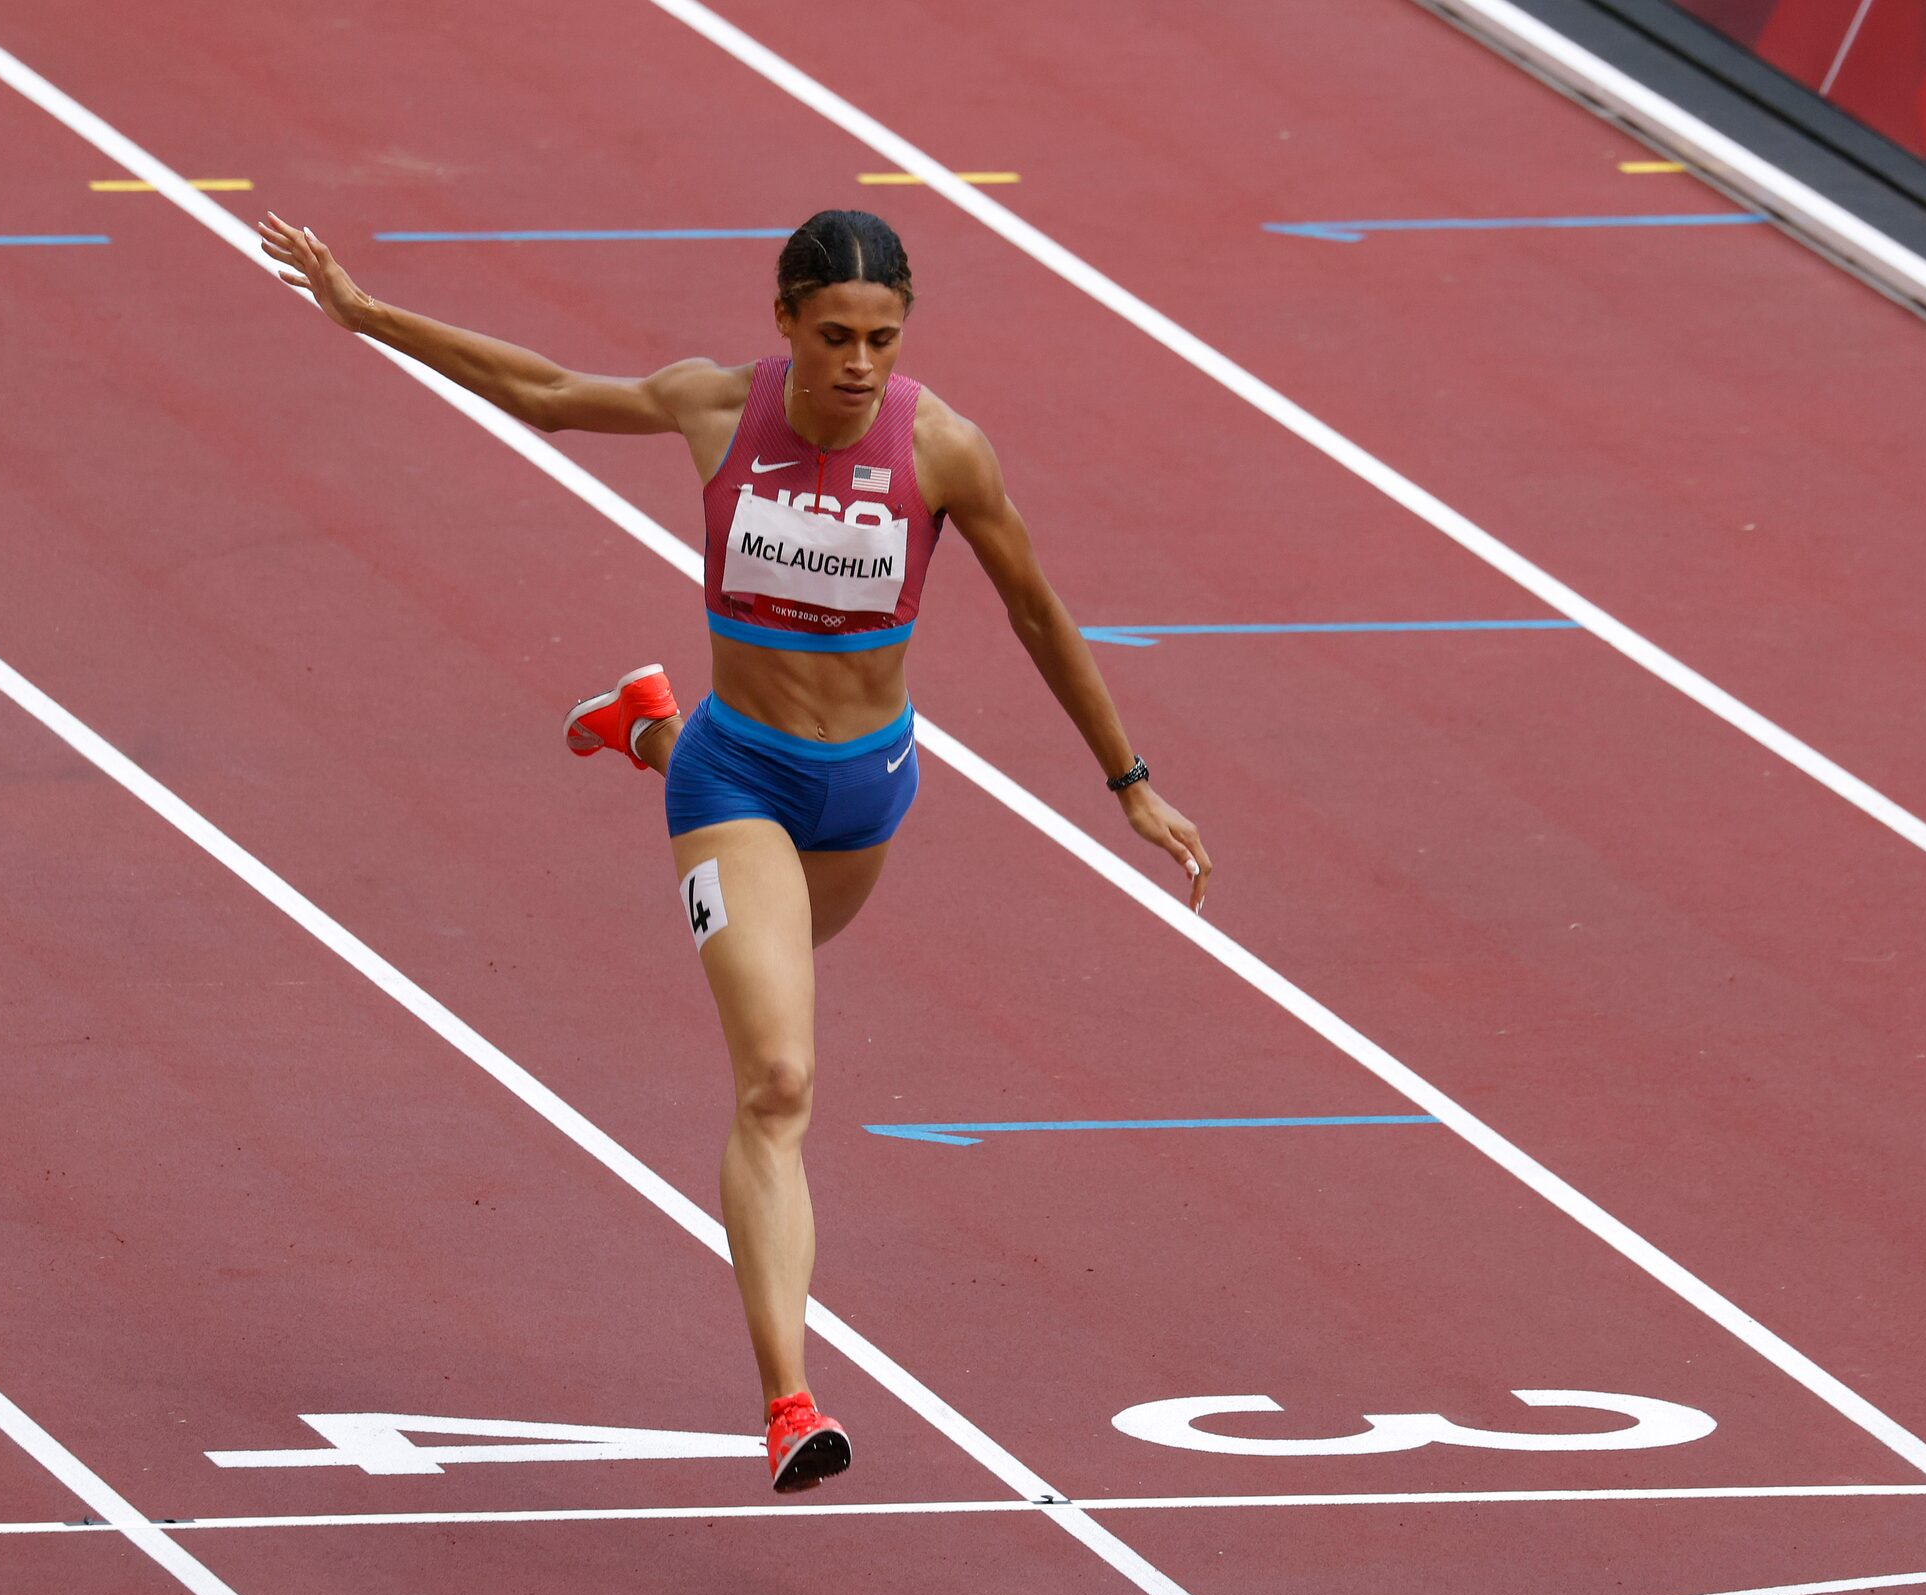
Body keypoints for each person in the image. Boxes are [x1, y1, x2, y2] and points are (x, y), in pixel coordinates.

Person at [257, 207, 1213, 1492]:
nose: (859, 363)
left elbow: (1036, 612)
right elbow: (545, 392)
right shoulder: (717, 410)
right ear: (785, 323)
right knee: (778, 1080)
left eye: (882, 338)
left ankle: (638, 726)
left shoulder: (942, 451)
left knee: (785, 994)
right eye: (834, 336)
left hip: (866, 793)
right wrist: (369, 315)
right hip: (743, 774)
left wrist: (1130, 783)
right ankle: (789, 1401)